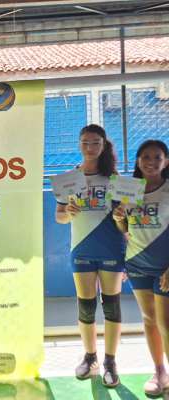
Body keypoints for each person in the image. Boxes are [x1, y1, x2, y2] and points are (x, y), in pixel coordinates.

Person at [55, 124, 125, 387]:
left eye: (95, 142)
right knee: (86, 307)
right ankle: (90, 357)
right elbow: (59, 217)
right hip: (81, 250)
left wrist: (121, 217)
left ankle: (110, 362)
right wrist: (68, 213)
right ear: (79, 144)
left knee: (112, 306)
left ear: (103, 145)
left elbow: (126, 224)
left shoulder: (115, 179)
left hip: (111, 250)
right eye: (85, 142)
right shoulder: (70, 178)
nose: (90, 147)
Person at [113, 140, 169, 397]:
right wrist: (119, 219)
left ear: (166, 161)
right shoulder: (129, 189)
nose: (151, 162)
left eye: (157, 157)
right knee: (149, 319)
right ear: (138, 161)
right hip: (137, 263)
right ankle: (159, 373)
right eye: (145, 157)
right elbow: (126, 229)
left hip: (164, 268)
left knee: (165, 324)